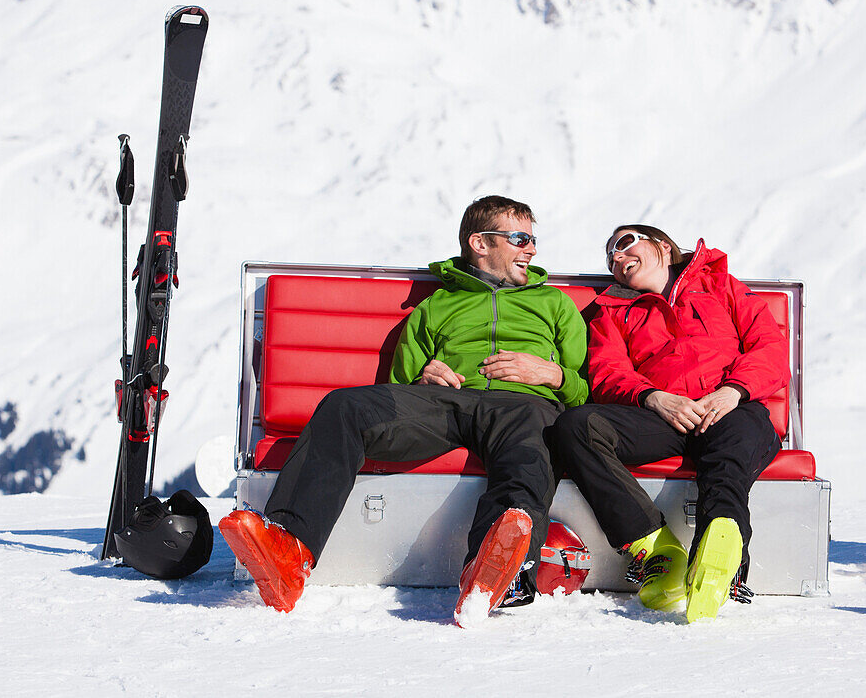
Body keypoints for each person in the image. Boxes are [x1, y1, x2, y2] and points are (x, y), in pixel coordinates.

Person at [220, 196, 589, 626]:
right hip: (447, 403)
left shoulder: (555, 304)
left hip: (523, 405)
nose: (531, 249)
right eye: (520, 238)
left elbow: (583, 392)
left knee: (529, 451)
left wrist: (551, 374)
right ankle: (290, 549)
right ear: (480, 243)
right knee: (345, 406)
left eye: (532, 239)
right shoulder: (435, 307)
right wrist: (424, 378)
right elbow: (397, 386)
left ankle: (492, 576)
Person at [551, 224, 789, 622]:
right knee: (576, 426)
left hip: (730, 408)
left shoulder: (721, 286)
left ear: (662, 246)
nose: (617, 258)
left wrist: (733, 391)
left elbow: (770, 347)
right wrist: (654, 398)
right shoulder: (612, 310)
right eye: (610, 256)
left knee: (733, 449)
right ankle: (655, 548)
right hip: (660, 418)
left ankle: (719, 547)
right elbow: (607, 370)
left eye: (626, 244)